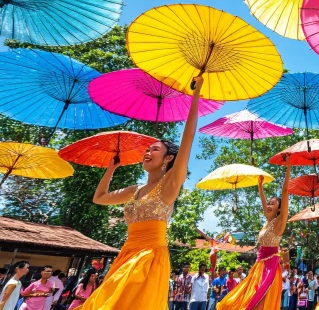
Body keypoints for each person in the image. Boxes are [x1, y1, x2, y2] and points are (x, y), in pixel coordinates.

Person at [81, 75, 205, 309]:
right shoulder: (133, 190)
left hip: (149, 257)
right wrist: (111, 169)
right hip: (126, 254)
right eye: (146, 149)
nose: (147, 152)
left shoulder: (169, 186)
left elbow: (187, 137)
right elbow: (99, 198)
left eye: (155, 149)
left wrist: (196, 93)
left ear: (168, 158)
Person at [217, 169, 290, 310]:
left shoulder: (279, 223)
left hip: (270, 266)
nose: (268, 205)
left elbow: (285, 191)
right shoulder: (267, 222)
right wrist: (260, 186)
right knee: (246, 298)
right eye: (268, 203)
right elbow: (263, 203)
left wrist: (288, 167)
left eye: (272, 204)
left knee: (259, 302)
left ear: (279, 209)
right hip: (259, 265)